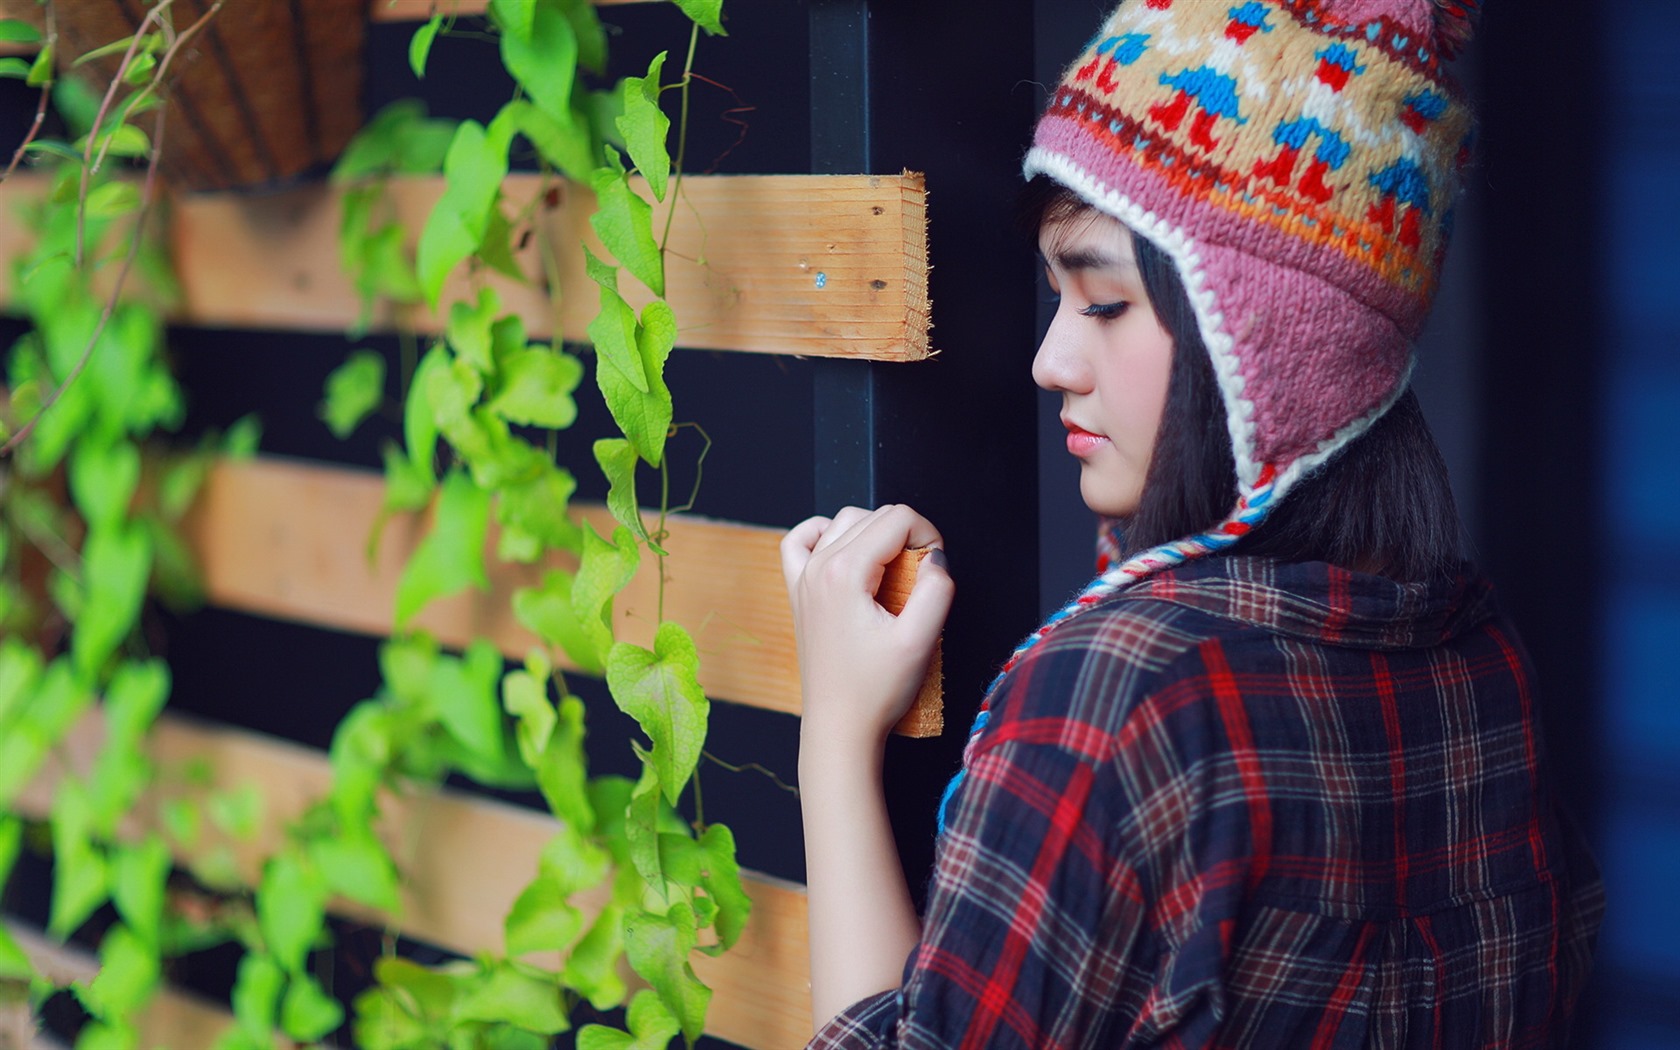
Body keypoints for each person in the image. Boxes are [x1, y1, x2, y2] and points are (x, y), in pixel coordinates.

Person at [781, 0, 1603, 1046]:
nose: (1049, 361)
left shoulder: (1119, 692)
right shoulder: (1486, 665)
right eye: (1055, 296)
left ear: (1272, 341)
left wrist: (835, 738)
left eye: (1105, 303)